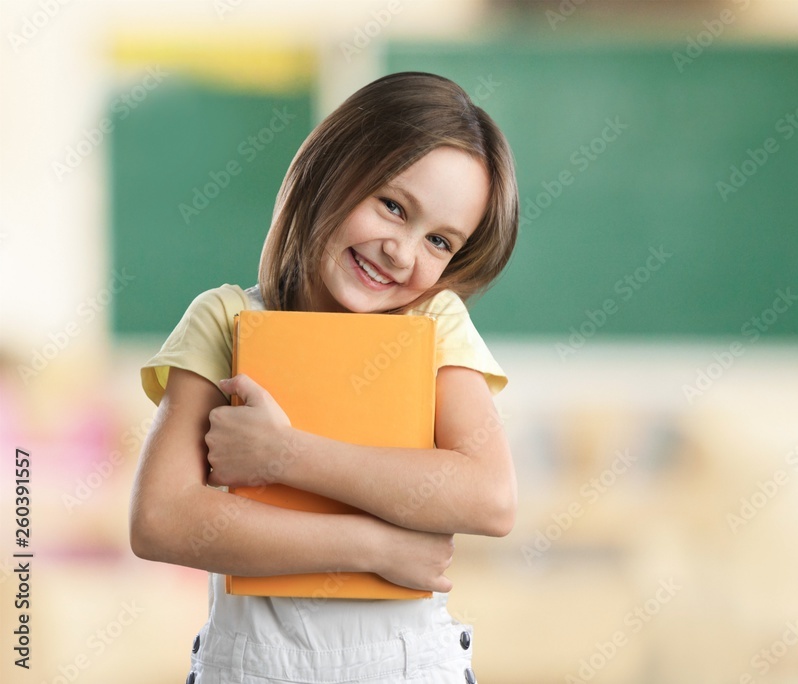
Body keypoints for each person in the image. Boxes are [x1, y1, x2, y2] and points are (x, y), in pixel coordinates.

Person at [129, 71, 519, 684]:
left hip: (409, 668)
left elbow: (489, 498)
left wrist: (285, 454)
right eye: (393, 206)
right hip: (249, 669)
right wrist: (374, 547)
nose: (402, 253)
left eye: (439, 241)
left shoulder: (435, 322)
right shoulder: (227, 319)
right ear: (330, 172)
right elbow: (160, 520)